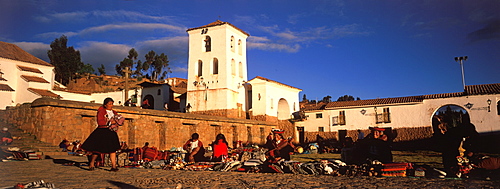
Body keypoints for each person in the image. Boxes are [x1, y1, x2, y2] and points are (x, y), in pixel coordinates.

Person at [81, 97, 121, 172]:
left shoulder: (114, 112)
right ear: (105, 105)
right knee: (97, 149)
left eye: (112, 104)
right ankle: (92, 163)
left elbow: (117, 120)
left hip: (111, 132)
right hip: (102, 131)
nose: (111, 105)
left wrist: (118, 122)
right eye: (109, 104)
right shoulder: (101, 112)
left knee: (113, 150)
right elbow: (100, 122)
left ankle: (113, 166)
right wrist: (109, 122)